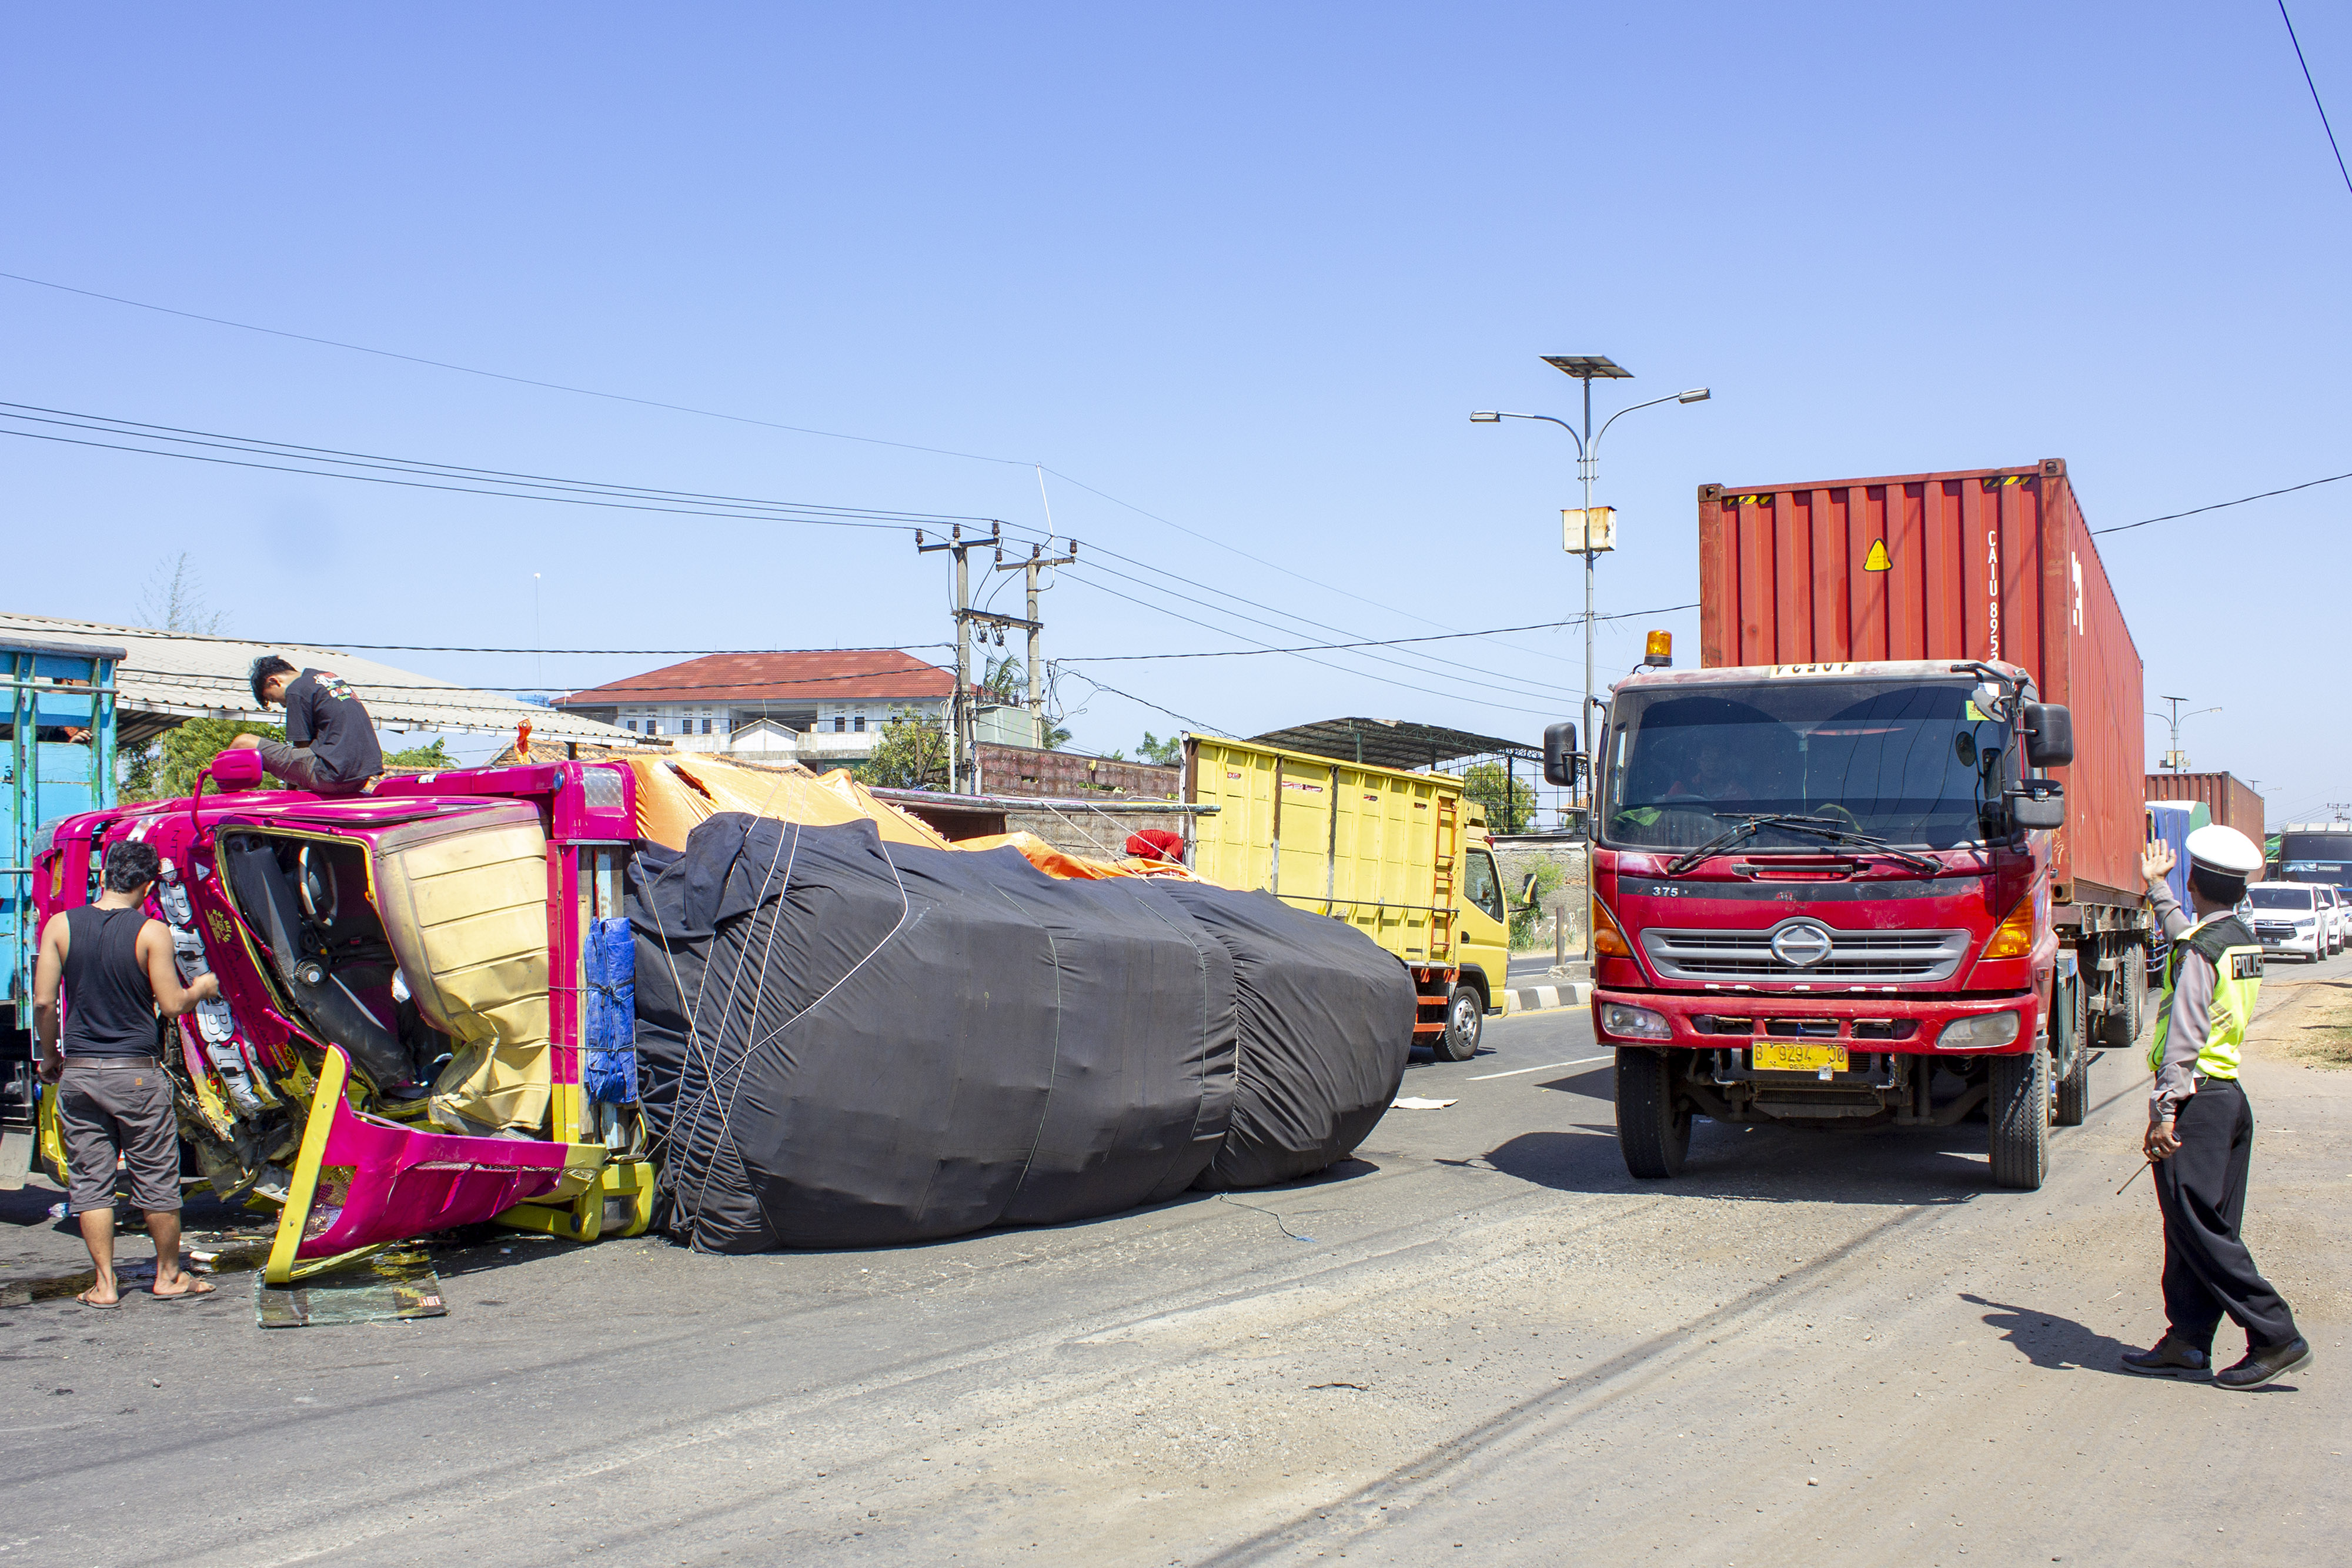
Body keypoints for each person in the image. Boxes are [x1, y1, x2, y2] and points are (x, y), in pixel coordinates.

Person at [2122, 824, 2310, 1389]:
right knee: (2195, 1227)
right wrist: (2157, 889)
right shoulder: (2238, 939)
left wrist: (2165, 1109)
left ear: (2195, 882)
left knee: (2199, 1227)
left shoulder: (2200, 952)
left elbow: (2184, 1034)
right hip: (2228, 1098)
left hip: (2196, 1100)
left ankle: (2276, 1333)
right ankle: (2187, 1340)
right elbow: (2186, 933)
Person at [31, 840, 220, 1307]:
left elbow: (44, 1001)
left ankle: (105, 1284)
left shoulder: (60, 925)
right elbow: (172, 1005)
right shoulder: (152, 932)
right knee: (156, 1177)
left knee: (90, 1182)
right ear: (149, 886)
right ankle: (169, 1276)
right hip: (135, 1074)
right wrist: (201, 987)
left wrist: (50, 1055)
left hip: (79, 1073)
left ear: (103, 876)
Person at [234, 656, 382, 797]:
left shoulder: (296, 690)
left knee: (243, 743)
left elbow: (301, 748)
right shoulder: (329, 679)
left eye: (272, 698)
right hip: (360, 779)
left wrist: (290, 796)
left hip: (331, 776)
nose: (283, 705)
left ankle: (224, 801)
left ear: (274, 682)